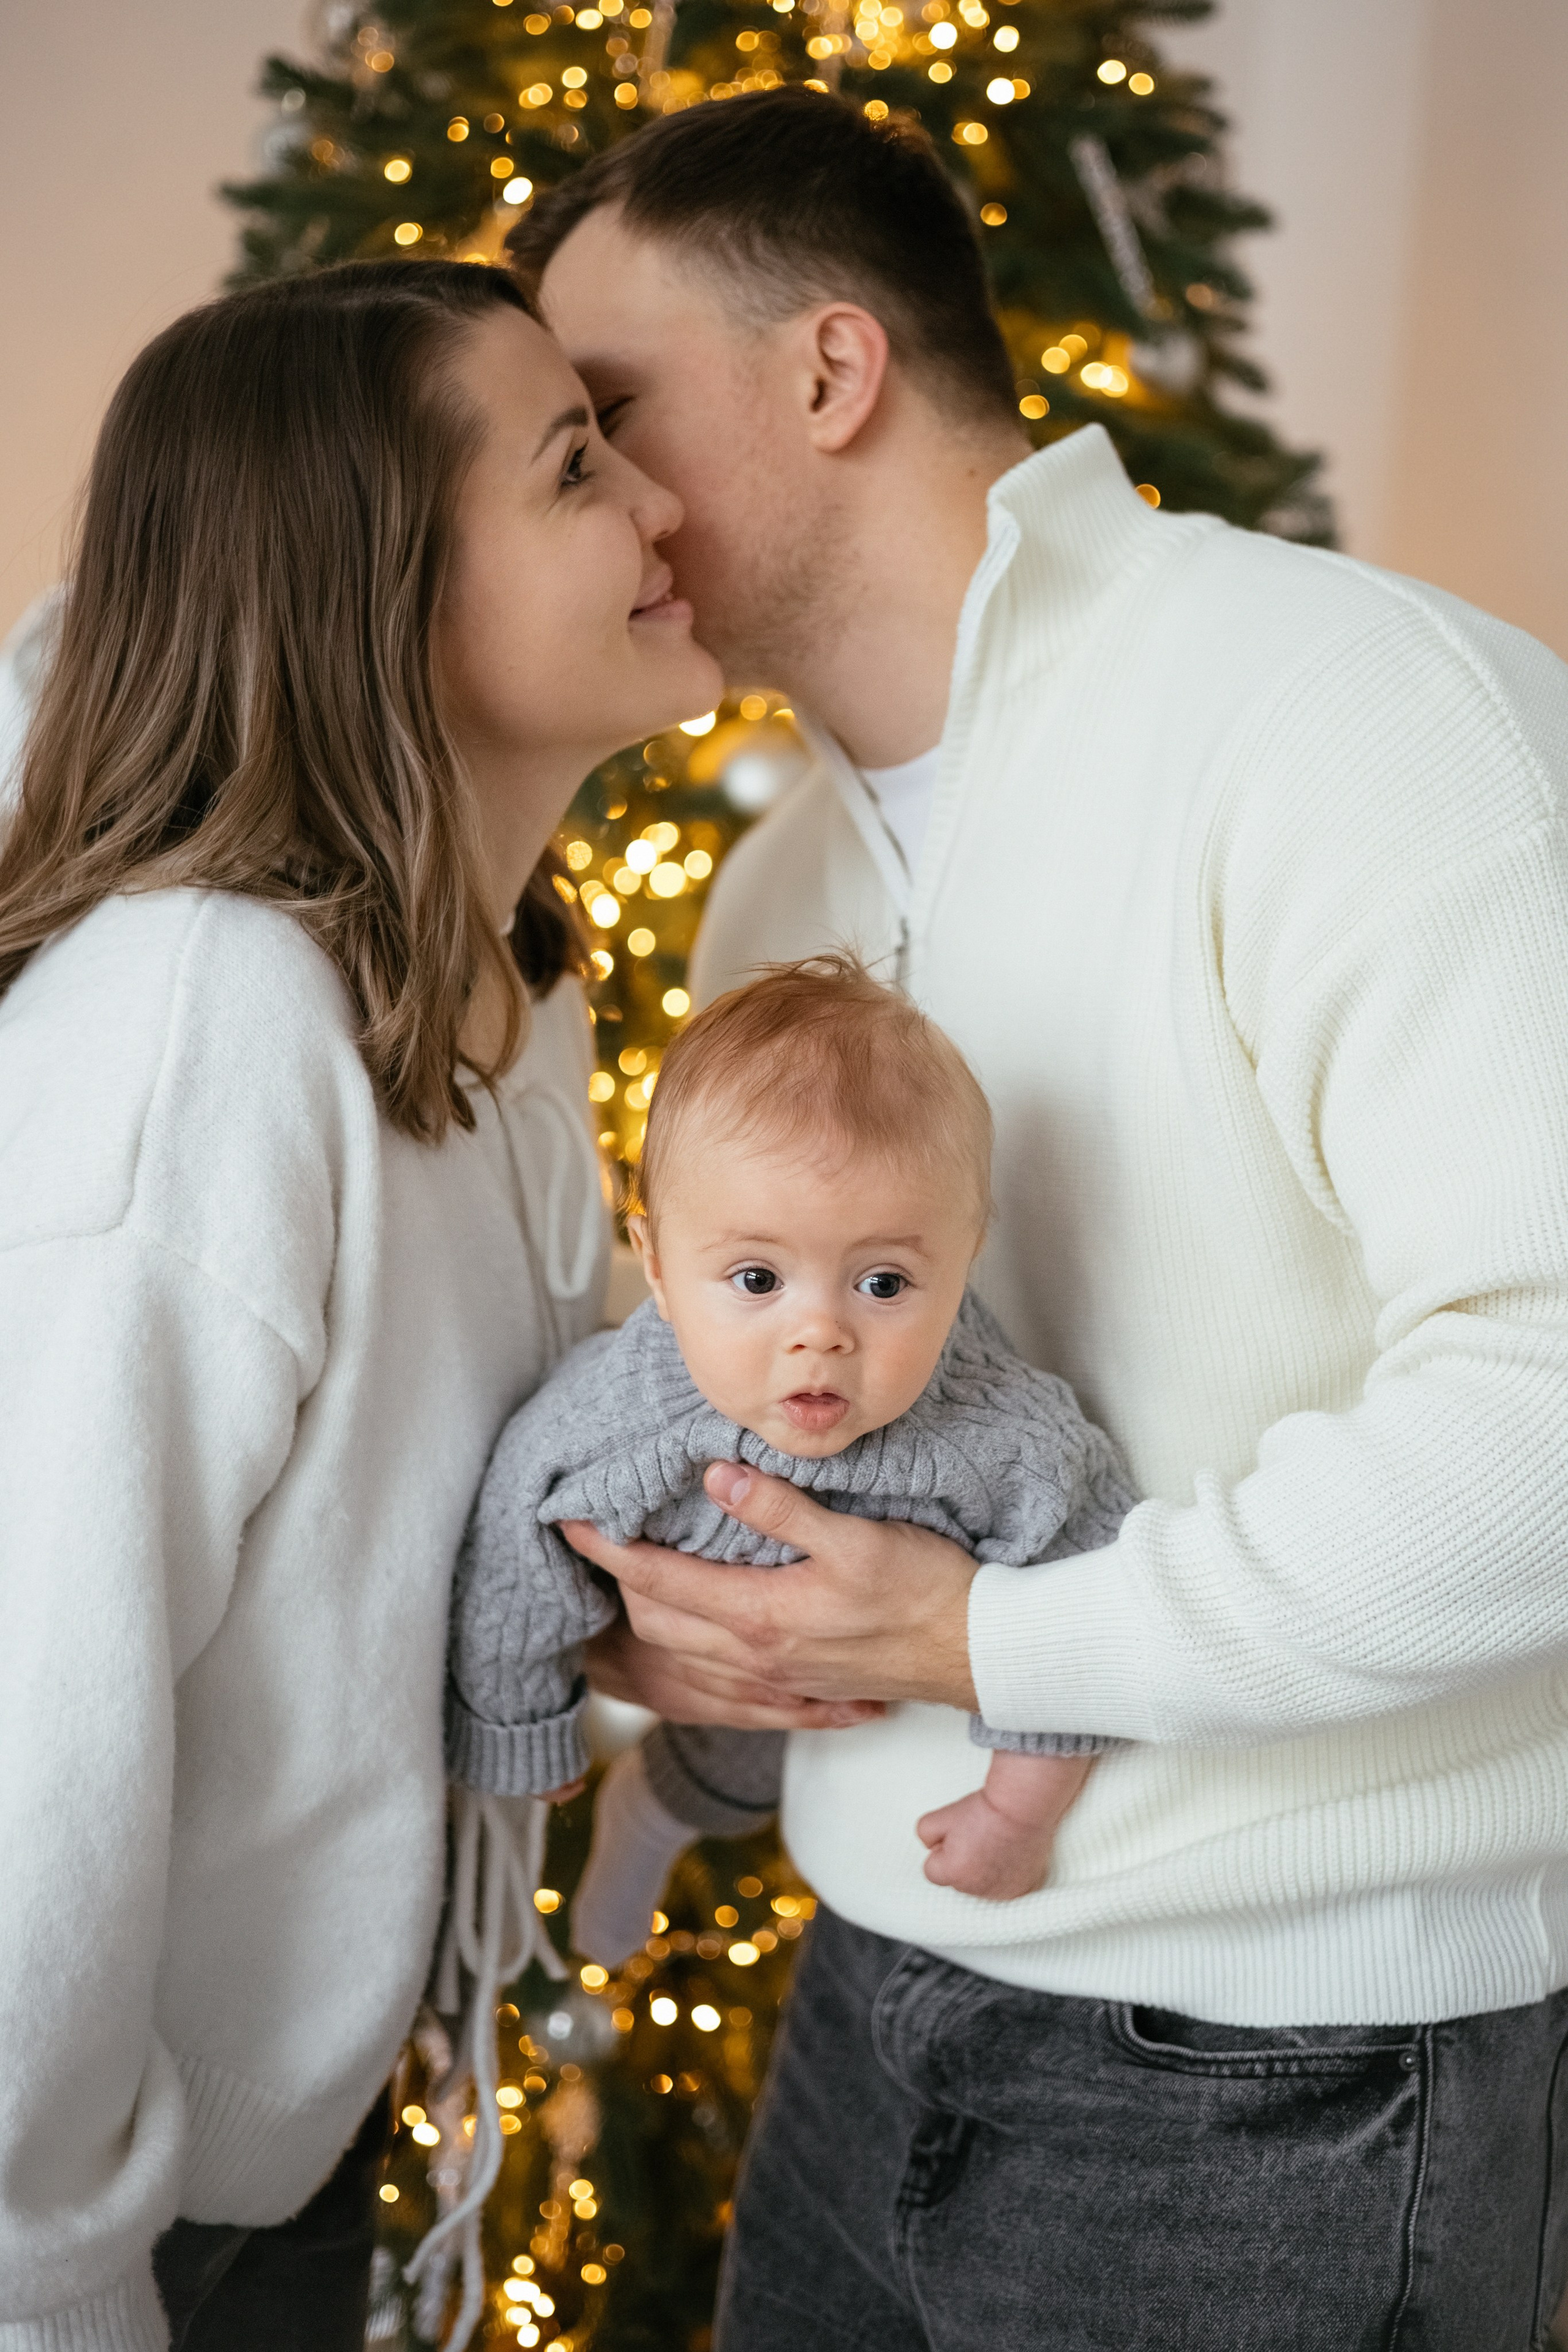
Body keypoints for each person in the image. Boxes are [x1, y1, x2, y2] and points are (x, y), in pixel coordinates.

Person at [514, 89, 1568, 2347]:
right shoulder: (779, 896)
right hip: (871, 2006)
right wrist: (689, 1651)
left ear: (827, 371)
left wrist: (995, 1650)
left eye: (607, 418)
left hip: (1286, 2083)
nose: (581, 499)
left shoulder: (1351, 710)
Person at [0, 257, 742, 2350]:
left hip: (287, 2167)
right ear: (378, 579)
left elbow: (437, 1549)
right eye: (577, 465)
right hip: (95, 2231)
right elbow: (28, 1711)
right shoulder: (199, 1024)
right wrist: (53, 2275)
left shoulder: (497, 1003)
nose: (662, 511)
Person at [442, 955, 1134, 1967]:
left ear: (965, 1257)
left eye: (886, 1282)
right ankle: (653, 1810)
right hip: (712, 1646)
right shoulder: (614, 1410)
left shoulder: (1004, 1433)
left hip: (891, 1704)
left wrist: (1017, 1811)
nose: (821, 1334)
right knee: (734, 1737)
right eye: (758, 1278)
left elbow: (1084, 1587)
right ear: (665, 1267)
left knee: (771, 1757)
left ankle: (667, 1807)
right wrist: (520, 1717)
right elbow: (515, 1531)